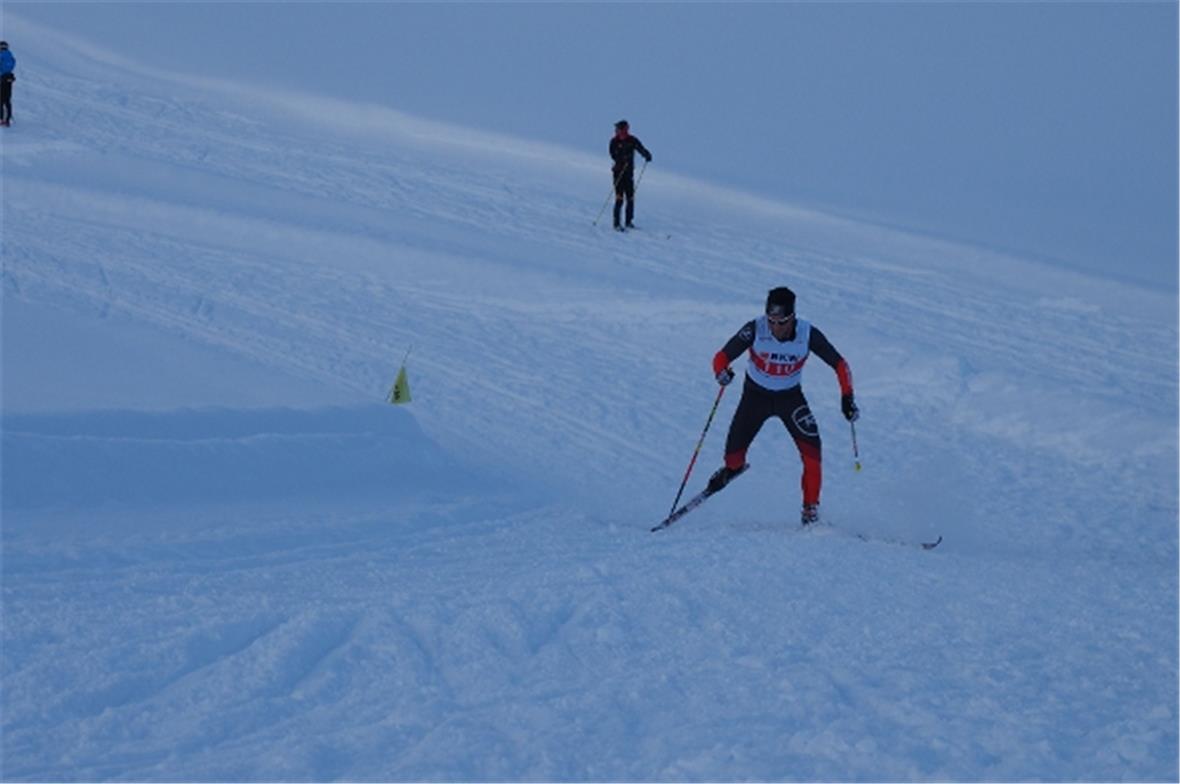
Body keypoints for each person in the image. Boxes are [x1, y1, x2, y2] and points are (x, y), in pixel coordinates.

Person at [706, 286, 859, 526]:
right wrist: (721, 373)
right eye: (772, 321)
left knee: (813, 455)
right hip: (755, 397)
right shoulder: (755, 329)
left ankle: (810, 511)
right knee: (733, 459)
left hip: (790, 398)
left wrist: (847, 396)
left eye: (782, 322)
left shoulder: (807, 334)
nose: (775, 327)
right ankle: (731, 470)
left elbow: (840, 364)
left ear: (793, 317)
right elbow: (721, 356)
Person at [608, 119, 652, 231]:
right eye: (616, 129)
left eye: (618, 129)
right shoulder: (614, 142)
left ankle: (629, 222)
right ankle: (616, 224)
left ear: (624, 130)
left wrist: (646, 155)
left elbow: (640, 148)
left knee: (630, 198)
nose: (616, 131)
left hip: (629, 174)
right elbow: (613, 155)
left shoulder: (632, 140)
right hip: (618, 173)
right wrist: (622, 158)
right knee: (619, 199)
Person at [0, 41, 13, 127]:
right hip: (9, 78)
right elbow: (13, 64)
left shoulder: (1, 56)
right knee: (7, 99)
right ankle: (7, 119)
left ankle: (1, 119)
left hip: (2, 78)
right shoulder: (10, 55)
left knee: (0, 99)